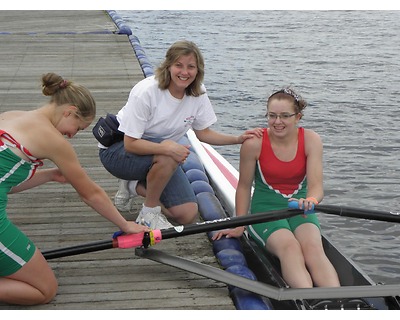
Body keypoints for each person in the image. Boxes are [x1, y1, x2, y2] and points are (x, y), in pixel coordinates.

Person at [0, 73, 150, 306]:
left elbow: (5, 184)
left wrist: (49, 175)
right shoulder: (53, 140)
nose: (72, 135)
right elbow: (90, 194)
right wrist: (126, 225)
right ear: (69, 111)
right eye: (78, 128)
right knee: (44, 289)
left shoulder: (10, 117)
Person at [99, 40, 263, 230]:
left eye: (191, 67)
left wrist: (237, 139)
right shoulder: (146, 92)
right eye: (179, 65)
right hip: (116, 152)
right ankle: (148, 214)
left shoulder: (198, 93)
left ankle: (132, 186)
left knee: (186, 214)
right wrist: (165, 148)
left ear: (198, 70)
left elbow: (203, 133)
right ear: (168, 66)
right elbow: (131, 144)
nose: (184, 72)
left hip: (158, 155)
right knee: (170, 153)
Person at [212, 88, 340, 288]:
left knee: (314, 248)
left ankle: (337, 305)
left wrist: (312, 201)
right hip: (264, 211)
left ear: (297, 117)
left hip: (300, 208)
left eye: (284, 116)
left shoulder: (311, 140)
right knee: (291, 248)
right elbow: (244, 186)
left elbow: (316, 187)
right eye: (272, 116)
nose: (277, 122)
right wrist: (239, 224)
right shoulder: (254, 143)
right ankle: (306, 303)